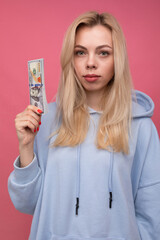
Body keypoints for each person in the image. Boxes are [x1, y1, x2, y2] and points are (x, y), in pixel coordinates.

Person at [8, 11, 160, 240]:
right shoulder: (47, 122)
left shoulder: (142, 128)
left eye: (103, 53)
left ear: (117, 59)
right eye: (81, 52)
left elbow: (152, 214)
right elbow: (28, 205)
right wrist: (26, 148)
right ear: (71, 58)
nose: (90, 63)